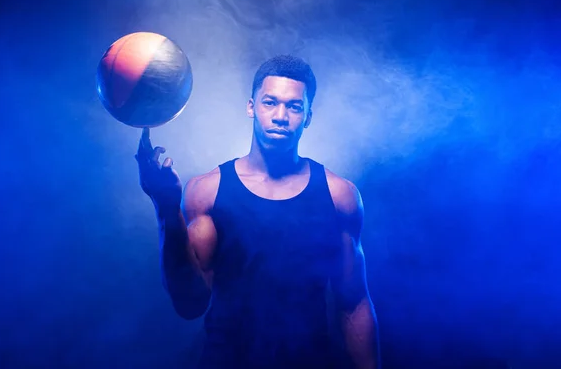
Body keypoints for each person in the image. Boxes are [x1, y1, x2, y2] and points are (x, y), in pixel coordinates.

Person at [135, 55, 379, 368]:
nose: (281, 116)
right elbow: (190, 303)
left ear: (307, 117)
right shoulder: (207, 192)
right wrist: (166, 207)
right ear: (252, 107)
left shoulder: (339, 196)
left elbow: (354, 303)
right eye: (270, 102)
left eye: (294, 106)